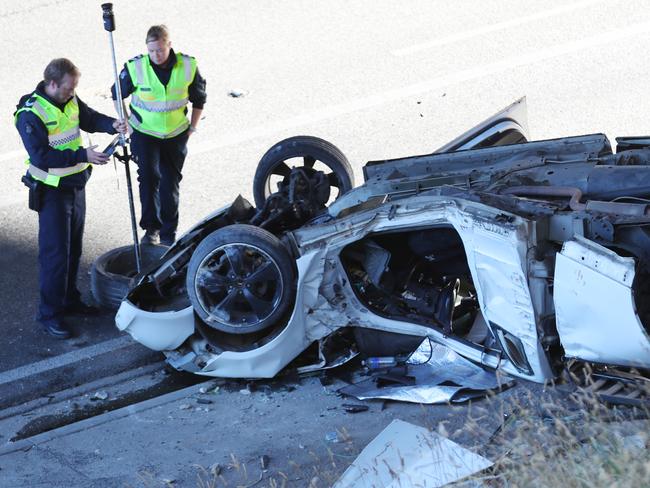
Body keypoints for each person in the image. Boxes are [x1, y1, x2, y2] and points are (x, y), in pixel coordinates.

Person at [14, 58, 127, 339]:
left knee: (74, 248)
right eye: (68, 87)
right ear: (52, 84)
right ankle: (50, 314)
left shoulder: (69, 98)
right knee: (55, 256)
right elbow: (42, 156)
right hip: (52, 191)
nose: (72, 91)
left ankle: (69, 301)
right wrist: (83, 155)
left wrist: (111, 124)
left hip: (75, 184)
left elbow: (87, 118)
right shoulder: (31, 114)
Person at [112, 24, 207, 246]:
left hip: (175, 134)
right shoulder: (136, 67)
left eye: (160, 50)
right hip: (144, 133)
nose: (156, 55)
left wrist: (192, 128)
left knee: (170, 183)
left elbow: (199, 99)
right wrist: (127, 123)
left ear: (169, 45)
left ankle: (168, 235)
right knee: (148, 178)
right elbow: (116, 93)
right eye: (152, 50)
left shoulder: (188, 66)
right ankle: (151, 230)